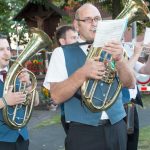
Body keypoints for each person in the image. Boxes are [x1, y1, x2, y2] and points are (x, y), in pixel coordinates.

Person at [44, 3, 135, 150]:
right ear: (76, 25)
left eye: (97, 19)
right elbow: (56, 96)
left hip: (117, 127)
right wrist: (83, 73)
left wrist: (120, 61)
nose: (94, 24)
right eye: (88, 20)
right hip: (83, 132)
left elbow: (130, 83)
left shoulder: (115, 48)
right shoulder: (61, 53)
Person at [0, 33, 39, 150]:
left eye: (8, 48)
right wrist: (4, 101)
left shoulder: (17, 74)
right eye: (1, 49)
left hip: (22, 137)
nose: (7, 53)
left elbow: (36, 102)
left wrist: (28, 83)